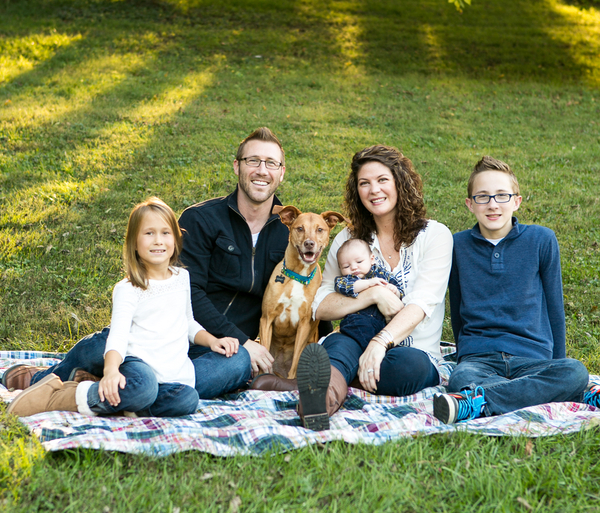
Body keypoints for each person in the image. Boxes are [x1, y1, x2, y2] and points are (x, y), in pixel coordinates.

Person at [3, 128, 291, 400]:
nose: (261, 170)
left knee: (238, 364)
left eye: (271, 163)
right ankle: (43, 380)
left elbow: (300, 293)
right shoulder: (202, 219)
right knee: (110, 342)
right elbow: (191, 291)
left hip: (218, 350)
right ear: (237, 166)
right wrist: (243, 339)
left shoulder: (290, 232)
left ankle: (120, 386)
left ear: (281, 172)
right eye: (253, 160)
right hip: (159, 335)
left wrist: (244, 344)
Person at [254, 145, 453, 429]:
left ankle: (314, 382)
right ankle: (316, 406)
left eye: (382, 180)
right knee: (336, 347)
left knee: (407, 369)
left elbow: (421, 304)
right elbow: (321, 305)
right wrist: (373, 294)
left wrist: (379, 343)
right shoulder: (347, 238)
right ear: (356, 190)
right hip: (354, 338)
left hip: (411, 349)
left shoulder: (434, 235)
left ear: (400, 182)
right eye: (364, 183)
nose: (374, 190)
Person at [9, 198, 238, 418]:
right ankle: (67, 396)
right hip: (138, 365)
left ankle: (126, 404)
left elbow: (187, 322)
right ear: (134, 243)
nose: (158, 240)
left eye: (165, 233)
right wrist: (111, 371)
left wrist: (212, 341)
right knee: (144, 387)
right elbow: (117, 337)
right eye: (149, 233)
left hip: (171, 373)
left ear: (176, 240)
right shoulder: (129, 289)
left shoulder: (182, 277)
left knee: (187, 399)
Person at [432, 156, 590, 424]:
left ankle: (478, 401)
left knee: (574, 371)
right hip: (479, 358)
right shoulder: (457, 245)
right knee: (460, 378)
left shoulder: (541, 239)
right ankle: (564, 394)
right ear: (470, 204)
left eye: (502, 196)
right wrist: (464, 352)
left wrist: (557, 361)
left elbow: (554, 307)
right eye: (483, 197)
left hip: (532, 357)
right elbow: (457, 307)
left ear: (516, 201)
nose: (493, 204)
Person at [334, 238, 404, 351]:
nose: (354, 267)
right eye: (346, 266)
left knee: (389, 344)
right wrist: (369, 283)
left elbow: (400, 292)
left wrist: (394, 290)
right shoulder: (347, 279)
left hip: (383, 324)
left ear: (371, 259)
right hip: (358, 321)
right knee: (361, 340)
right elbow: (347, 287)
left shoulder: (381, 273)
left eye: (359, 262)